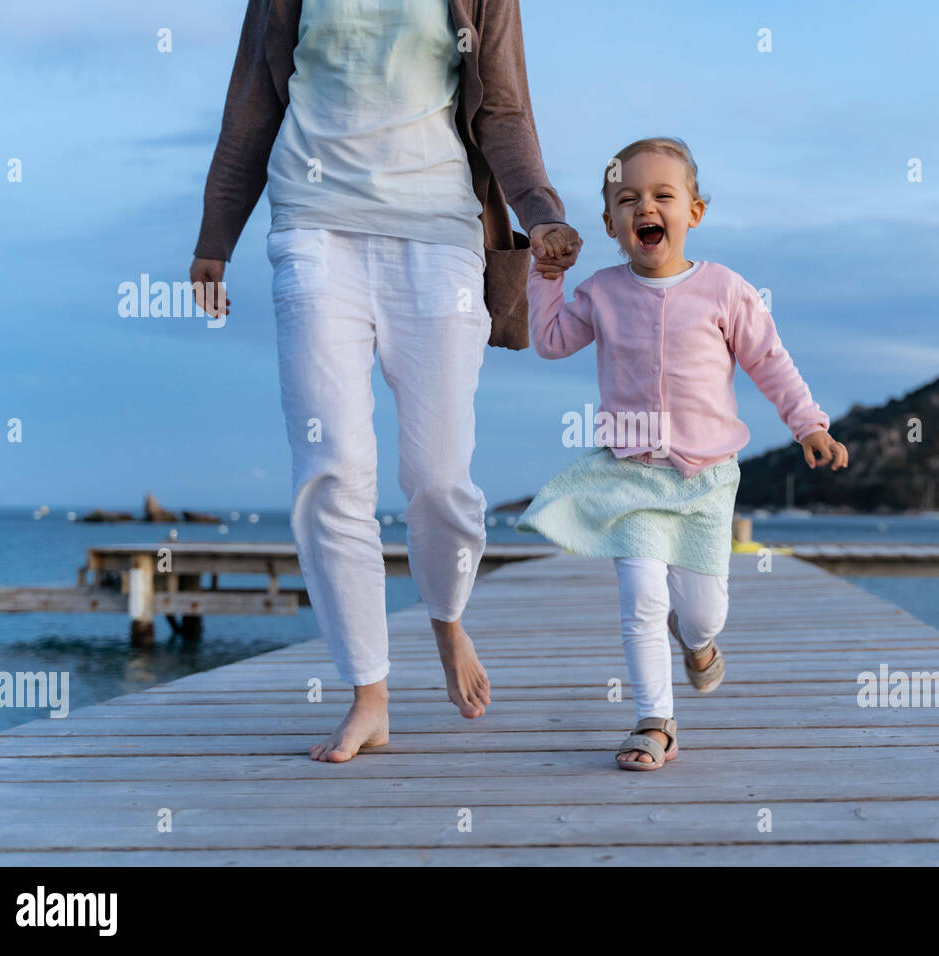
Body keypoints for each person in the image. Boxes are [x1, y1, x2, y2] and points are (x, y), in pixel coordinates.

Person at [189, 0, 581, 762]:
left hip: (437, 234)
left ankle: (445, 617)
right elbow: (252, 102)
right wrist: (216, 235)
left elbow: (502, 109)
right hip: (314, 225)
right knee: (332, 465)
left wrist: (542, 212)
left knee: (438, 478)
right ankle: (369, 691)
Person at [516, 137, 849, 770]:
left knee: (703, 611)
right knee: (641, 595)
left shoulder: (725, 290)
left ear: (693, 213)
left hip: (706, 482)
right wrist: (546, 277)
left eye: (663, 195)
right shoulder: (604, 292)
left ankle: (696, 643)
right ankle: (655, 721)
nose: (646, 205)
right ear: (613, 223)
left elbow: (768, 361)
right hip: (631, 478)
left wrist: (809, 425)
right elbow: (554, 341)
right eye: (627, 198)